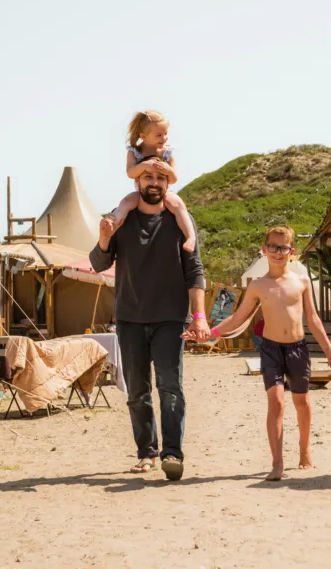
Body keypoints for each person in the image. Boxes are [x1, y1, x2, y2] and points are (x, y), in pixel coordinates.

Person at [190, 225, 331, 481]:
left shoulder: (301, 282)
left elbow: (313, 318)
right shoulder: (258, 285)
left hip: (298, 348)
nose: (278, 252)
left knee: (302, 402)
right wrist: (209, 333)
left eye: (283, 248)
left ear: (292, 252)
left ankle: (304, 451)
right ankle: (277, 461)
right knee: (277, 402)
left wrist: (329, 351)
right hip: (270, 349)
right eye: (273, 247)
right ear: (264, 249)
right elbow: (238, 318)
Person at [90, 164, 209, 481]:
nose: (154, 182)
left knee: (170, 388)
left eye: (161, 178)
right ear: (137, 180)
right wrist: (104, 239)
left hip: (170, 319)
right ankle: (147, 453)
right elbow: (100, 263)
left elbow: (195, 271)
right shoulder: (121, 218)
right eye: (148, 177)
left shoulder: (179, 220)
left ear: (168, 183)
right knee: (137, 392)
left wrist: (199, 317)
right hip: (129, 318)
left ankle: (172, 452)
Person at [109, 110, 196, 253]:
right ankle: (112, 223)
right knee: (125, 202)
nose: (164, 138)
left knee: (178, 204)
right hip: (141, 192)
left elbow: (173, 180)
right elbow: (131, 173)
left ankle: (191, 237)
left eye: (166, 133)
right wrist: (143, 166)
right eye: (159, 135)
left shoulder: (166, 153)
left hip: (163, 193)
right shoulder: (135, 152)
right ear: (143, 136)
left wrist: (167, 170)